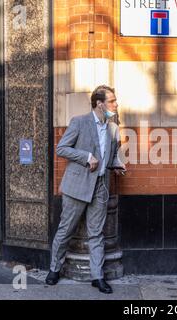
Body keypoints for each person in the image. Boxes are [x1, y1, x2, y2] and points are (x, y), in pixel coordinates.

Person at [45, 85, 125, 294]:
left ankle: (97, 277)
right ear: (100, 104)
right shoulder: (79, 122)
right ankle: (54, 269)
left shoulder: (113, 128)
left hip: (100, 187)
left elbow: (112, 154)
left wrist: (116, 164)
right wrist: (86, 157)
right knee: (66, 229)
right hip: (77, 186)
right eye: (112, 101)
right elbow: (62, 148)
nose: (116, 105)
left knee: (96, 233)